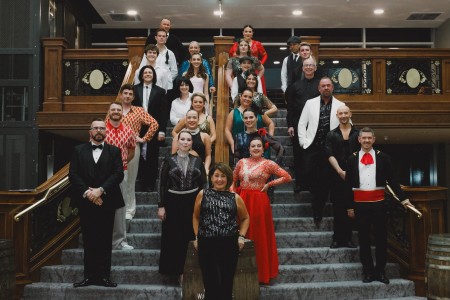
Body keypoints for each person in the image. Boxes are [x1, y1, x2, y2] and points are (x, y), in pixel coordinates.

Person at [345, 127, 414, 284]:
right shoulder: (351, 159)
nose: (367, 141)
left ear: (374, 140)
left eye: (370, 138)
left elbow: (393, 181)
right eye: (364, 138)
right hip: (359, 205)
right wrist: (349, 207)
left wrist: (403, 199)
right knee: (363, 239)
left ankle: (381, 272)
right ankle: (368, 272)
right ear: (359, 140)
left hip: (379, 204)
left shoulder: (384, 158)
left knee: (381, 239)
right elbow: (347, 186)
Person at [69, 118, 124, 288]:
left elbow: (118, 174)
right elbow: (73, 175)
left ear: (106, 131)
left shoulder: (114, 151)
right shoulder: (78, 150)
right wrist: (88, 193)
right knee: (89, 239)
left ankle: (104, 277)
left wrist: (100, 190)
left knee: (105, 240)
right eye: (96, 128)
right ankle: (89, 277)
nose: (99, 130)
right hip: (86, 202)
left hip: (106, 200)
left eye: (102, 128)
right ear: (90, 131)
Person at [232, 137, 292, 284]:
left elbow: (287, 177)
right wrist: (232, 194)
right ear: (249, 148)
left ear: (263, 148)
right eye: (253, 146)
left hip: (259, 202)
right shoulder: (241, 162)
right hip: (242, 199)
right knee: (241, 232)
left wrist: (269, 184)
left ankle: (260, 274)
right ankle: (239, 272)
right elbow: (233, 181)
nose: (256, 148)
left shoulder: (268, 164)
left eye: (259, 146)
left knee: (258, 235)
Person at [192, 163, 250, 300]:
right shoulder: (202, 194)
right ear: (211, 178)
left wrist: (241, 237)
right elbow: (195, 216)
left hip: (229, 243)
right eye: (216, 176)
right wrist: (197, 237)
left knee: (226, 282)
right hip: (206, 243)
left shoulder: (235, 197)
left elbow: (246, 218)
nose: (219, 179)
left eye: (223, 176)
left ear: (228, 178)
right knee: (210, 281)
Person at [158, 130, 207, 284]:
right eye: (183, 139)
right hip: (172, 203)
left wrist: (204, 203)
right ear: (177, 142)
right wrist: (161, 206)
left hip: (193, 201)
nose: (185, 142)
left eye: (188, 140)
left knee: (191, 236)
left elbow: (204, 184)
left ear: (192, 143)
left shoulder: (198, 161)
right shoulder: (168, 160)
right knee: (174, 238)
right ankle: (176, 271)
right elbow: (161, 184)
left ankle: (191, 271)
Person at [298, 77, 345, 225]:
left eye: (328, 85)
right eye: (323, 86)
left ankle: (319, 210)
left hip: (331, 150)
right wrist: (303, 142)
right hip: (312, 147)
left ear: (332, 88)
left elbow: (347, 125)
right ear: (319, 89)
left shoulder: (340, 105)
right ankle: (317, 204)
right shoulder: (310, 103)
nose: (326, 88)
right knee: (311, 177)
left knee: (326, 181)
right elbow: (301, 124)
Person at [114, 84, 159, 220]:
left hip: (132, 147)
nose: (127, 96)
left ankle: (129, 210)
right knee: (116, 179)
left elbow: (154, 124)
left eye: (130, 94)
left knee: (130, 179)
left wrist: (144, 138)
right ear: (121, 95)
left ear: (133, 97)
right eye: (125, 93)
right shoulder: (115, 110)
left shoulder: (138, 110)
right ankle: (117, 209)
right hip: (115, 147)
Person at [325, 105, 359, 248]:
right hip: (336, 175)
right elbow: (329, 154)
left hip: (354, 176)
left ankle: (348, 238)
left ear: (350, 113)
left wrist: (351, 173)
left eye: (346, 113)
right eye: (341, 113)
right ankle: (337, 239)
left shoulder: (358, 134)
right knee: (338, 208)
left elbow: (361, 154)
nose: (344, 115)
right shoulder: (331, 134)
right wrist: (340, 171)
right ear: (337, 116)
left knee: (351, 206)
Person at [104, 102, 136, 250]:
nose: (116, 112)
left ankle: (120, 241)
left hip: (121, 172)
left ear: (122, 113)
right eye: (113, 110)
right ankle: (102, 239)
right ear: (109, 112)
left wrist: (121, 164)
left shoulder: (129, 130)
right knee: (102, 205)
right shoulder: (101, 129)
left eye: (118, 110)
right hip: (102, 173)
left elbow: (131, 152)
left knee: (120, 206)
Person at [286, 56, 321, 192]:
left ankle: (313, 185)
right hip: (298, 125)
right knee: (299, 156)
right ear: (302, 68)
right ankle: (300, 183)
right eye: (306, 65)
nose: (308, 67)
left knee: (314, 157)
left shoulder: (320, 85)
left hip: (316, 126)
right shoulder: (295, 86)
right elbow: (290, 108)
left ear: (315, 68)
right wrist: (290, 125)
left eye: (311, 65)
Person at [133, 65, 167, 191]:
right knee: (139, 155)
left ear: (153, 75)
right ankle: (141, 181)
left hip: (155, 127)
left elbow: (164, 112)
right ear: (141, 75)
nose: (148, 74)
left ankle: (150, 183)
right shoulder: (134, 90)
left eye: (150, 72)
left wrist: (162, 130)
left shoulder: (160, 91)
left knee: (152, 155)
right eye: (145, 72)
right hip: (138, 128)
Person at [225, 88, 274, 153]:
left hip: (259, 148)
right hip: (241, 147)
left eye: (250, 97)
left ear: (252, 99)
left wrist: (269, 138)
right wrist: (232, 143)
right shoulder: (234, 112)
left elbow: (271, 123)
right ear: (240, 97)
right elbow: (227, 130)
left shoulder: (258, 111)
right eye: (245, 96)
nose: (247, 99)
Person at [229, 25, 268, 94]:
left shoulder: (257, 44)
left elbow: (265, 55)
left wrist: (260, 63)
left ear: (252, 33)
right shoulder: (236, 44)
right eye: (246, 31)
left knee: (257, 91)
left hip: (255, 70)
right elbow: (231, 55)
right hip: (240, 70)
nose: (248, 33)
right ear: (243, 33)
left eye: (250, 32)